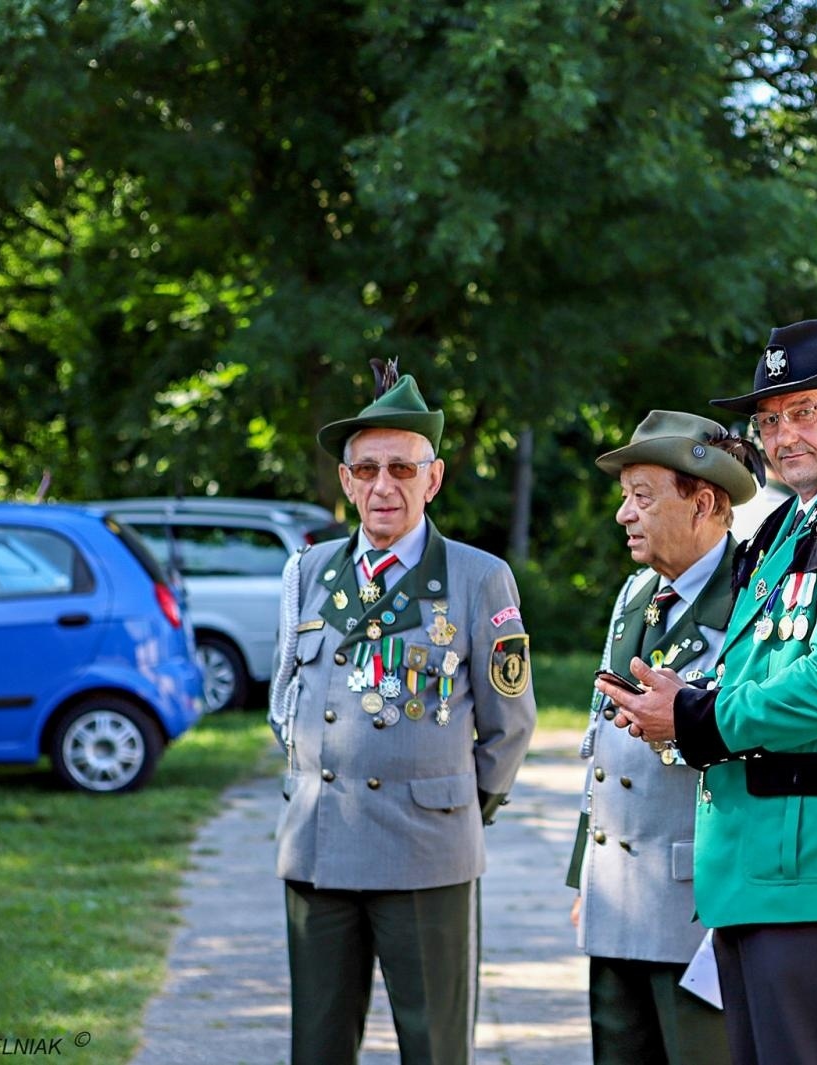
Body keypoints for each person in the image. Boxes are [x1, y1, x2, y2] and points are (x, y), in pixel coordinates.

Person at [597, 319, 817, 1065]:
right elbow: (757, 671)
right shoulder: (787, 529)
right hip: (758, 866)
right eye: (769, 419)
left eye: (805, 412)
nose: (783, 434)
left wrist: (696, 715)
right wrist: (682, 692)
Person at [268, 364, 536, 1065]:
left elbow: (511, 723)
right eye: (366, 469)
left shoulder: (478, 578)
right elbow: (283, 699)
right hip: (318, 847)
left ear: (433, 478)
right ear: (346, 482)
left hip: (426, 852)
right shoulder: (309, 571)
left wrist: (455, 806)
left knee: (435, 1047)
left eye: (400, 467)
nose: (383, 485)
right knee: (316, 1047)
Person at [566, 410, 761, 1065]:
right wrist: (582, 878)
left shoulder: (753, 601)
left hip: (693, 906)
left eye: (641, 497)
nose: (624, 514)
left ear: (703, 501)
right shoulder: (636, 594)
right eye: (625, 497)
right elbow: (601, 744)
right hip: (617, 893)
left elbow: (757, 740)